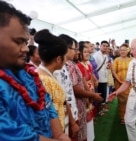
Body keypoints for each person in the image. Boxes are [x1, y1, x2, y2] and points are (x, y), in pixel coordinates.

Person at [0, 1, 70, 140]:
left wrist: (60, 134)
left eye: (25, 42)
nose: (26, 49)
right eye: (18, 41)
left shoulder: (28, 75)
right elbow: (12, 134)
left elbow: (47, 103)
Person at [35, 29, 69, 132]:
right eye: (65, 57)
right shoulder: (45, 80)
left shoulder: (43, 75)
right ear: (58, 59)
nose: (66, 60)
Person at [53, 34, 80, 137]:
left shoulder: (64, 65)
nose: (76, 52)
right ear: (66, 48)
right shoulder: (57, 69)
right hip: (64, 120)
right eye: (74, 49)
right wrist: (73, 122)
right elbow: (63, 99)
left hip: (71, 115)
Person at [111, 43, 132, 125]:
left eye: (124, 50)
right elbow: (113, 71)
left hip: (130, 84)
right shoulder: (116, 60)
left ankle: (131, 117)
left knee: (131, 101)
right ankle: (122, 117)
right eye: (121, 50)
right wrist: (119, 81)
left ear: (128, 51)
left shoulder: (132, 60)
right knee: (122, 102)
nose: (122, 51)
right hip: (119, 83)